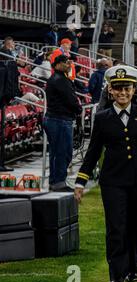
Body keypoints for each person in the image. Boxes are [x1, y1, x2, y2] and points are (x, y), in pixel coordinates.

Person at [74, 65, 137, 282]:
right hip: (113, 181)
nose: (123, 93)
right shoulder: (102, 117)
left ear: (134, 89)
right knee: (116, 228)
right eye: (118, 88)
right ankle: (116, 276)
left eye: (127, 88)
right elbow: (92, 151)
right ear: (110, 90)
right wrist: (81, 181)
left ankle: (133, 266)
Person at [44, 55, 82, 192]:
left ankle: (55, 181)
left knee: (57, 152)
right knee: (63, 152)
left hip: (56, 119)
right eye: (66, 62)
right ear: (58, 64)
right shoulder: (60, 80)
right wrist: (79, 109)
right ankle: (59, 182)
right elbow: (71, 100)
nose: (69, 64)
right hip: (59, 119)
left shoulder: (57, 78)